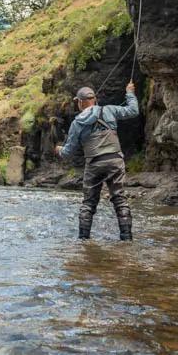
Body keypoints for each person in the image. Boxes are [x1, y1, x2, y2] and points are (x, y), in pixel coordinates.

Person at [55, 83, 140, 240]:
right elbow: (133, 110)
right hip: (115, 161)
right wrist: (129, 93)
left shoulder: (77, 123)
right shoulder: (109, 110)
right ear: (94, 99)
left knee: (88, 204)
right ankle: (127, 239)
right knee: (120, 200)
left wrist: (58, 149)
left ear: (80, 102)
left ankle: (83, 240)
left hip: (94, 164)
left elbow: (68, 153)